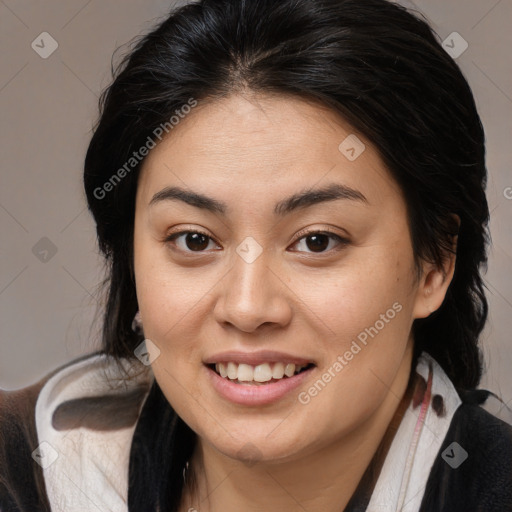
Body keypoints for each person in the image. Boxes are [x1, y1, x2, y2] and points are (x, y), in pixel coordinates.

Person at [1, 0, 511, 510]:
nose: (247, 309)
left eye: (317, 241)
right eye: (194, 239)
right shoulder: (23, 473)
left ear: (435, 264)